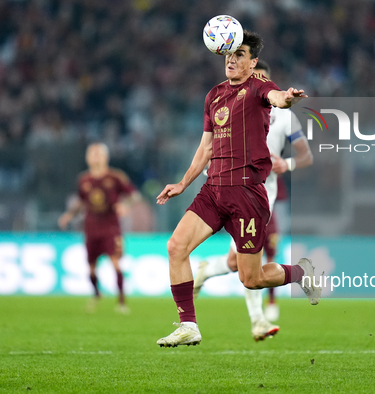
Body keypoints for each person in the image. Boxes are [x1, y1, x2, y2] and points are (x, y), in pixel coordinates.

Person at [155, 31, 320, 348]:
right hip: (213, 189)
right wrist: (182, 184)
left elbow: (278, 98)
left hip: (246, 195)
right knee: (176, 247)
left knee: (251, 278)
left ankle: (301, 272)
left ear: (253, 62)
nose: (231, 58)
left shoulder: (260, 87)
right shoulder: (213, 95)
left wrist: (288, 98)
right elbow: (205, 149)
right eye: (229, 53)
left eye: (240, 54)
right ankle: (188, 324)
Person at [191, 59, 313, 341]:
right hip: (238, 190)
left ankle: (208, 270)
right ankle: (258, 320)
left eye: (261, 80)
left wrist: (289, 164)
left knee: (240, 262)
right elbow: (211, 143)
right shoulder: (232, 106)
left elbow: (307, 156)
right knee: (247, 263)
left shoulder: (284, 116)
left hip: (265, 192)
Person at [58, 142, 141, 314]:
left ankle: (121, 301)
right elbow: (80, 202)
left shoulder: (116, 177)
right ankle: (96, 294)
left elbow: (134, 195)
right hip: (91, 228)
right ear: (87, 158)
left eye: (98, 153)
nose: (95, 157)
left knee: (116, 263)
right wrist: (69, 215)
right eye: (92, 153)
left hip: (111, 228)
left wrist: (125, 205)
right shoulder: (84, 179)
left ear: (105, 156)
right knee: (91, 267)